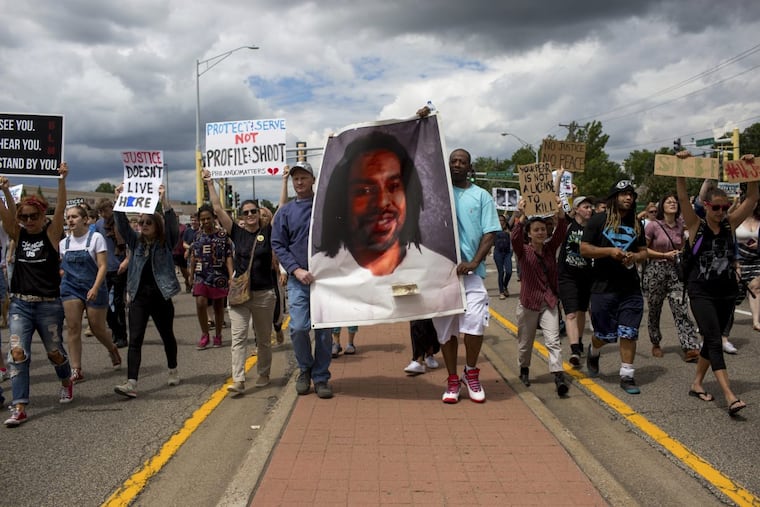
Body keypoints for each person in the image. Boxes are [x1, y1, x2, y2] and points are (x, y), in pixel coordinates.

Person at [311, 130, 461, 325]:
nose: (382, 202)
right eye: (364, 190)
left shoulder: (442, 271)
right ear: (341, 200)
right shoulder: (322, 274)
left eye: (394, 186)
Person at [676, 156, 757, 416]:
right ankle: (730, 395)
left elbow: (752, 198)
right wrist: (681, 169)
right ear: (706, 206)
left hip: (726, 293)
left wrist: (750, 169)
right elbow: (681, 195)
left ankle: (697, 383)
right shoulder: (695, 225)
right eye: (716, 208)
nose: (721, 212)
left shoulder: (729, 225)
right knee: (713, 340)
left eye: (724, 208)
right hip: (700, 292)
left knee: (710, 342)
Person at [0, 165, 73, 427]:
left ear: (42, 215)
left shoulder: (51, 235)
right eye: (25, 217)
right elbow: (7, 218)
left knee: (54, 352)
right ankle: (19, 406)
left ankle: (66, 379)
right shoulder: (18, 235)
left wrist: (62, 181)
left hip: (48, 306)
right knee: (17, 353)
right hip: (20, 304)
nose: (28, 221)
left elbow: (62, 209)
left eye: (33, 216)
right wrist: (4, 191)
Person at [433, 148, 500, 404]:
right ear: (447, 165)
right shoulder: (436, 194)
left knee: (474, 323)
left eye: (462, 161)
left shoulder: (481, 196)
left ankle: (470, 371)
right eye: (453, 161)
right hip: (440, 276)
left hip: (471, 275)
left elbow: (490, 233)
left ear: (470, 167)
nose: (457, 164)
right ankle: (452, 379)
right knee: (446, 330)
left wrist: (473, 262)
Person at [202, 171, 276, 393]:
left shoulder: (269, 232)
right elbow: (217, 209)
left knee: (263, 339)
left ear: (259, 213)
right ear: (241, 216)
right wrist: (209, 183)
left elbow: (281, 206)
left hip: (264, 294)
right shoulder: (237, 232)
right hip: (239, 295)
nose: (251, 214)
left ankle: (263, 373)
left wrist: (283, 181)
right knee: (238, 338)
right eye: (246, 212)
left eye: (254, 210)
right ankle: (239, 379)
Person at [272, 161, 334, 399]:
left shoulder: (325, 207)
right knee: (298, 328)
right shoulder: (285, 212)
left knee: (324, 332)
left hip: (325, 281)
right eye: (296, 178)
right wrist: (295, 269)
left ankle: (321, 377)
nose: (299, 182)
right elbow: (278, 243)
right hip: (299, 280)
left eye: (304, 178)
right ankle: (305, 369)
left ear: (313, 180)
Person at [113, 184, 181, 398]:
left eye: (147, 222)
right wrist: (119, 199)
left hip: (161, 296)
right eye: (141, 222)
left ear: (156, 224)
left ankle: (173, 369)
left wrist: (164, 201)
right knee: (135, 339)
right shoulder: (136, 242)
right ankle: (132, 382)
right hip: (139, 298)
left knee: (167, 335)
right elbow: (122, 226)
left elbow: (172, 227)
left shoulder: (165, 243)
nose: (142, 225)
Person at [580, 180, 648, 395]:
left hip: (630, 288)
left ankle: (627, 375)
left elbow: (644, 251)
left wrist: (635, 256)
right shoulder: (597, 221)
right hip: (603, 287)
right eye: (623, 194)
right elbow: (584, 249)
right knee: (605, 334)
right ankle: (594, 349)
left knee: (629, 331)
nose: (628, 197)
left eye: (631, 194)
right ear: (613, 198)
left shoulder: (636, 224)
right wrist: (609, 251)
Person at [512, 198, 569, 396]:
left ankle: (558, 375)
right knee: (525, 342)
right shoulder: (523, 251)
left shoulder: (550, 249)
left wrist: (560, 213)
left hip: (549, 302)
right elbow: (514, 238)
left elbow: (561, 231)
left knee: (553, 340)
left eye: (543, 229)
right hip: (528, 303)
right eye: (536, 229)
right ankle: (524, 369)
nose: (540, 232)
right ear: (529, 233)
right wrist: (521, 215)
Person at [60, 205, 122, 384]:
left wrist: (95, 288)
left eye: (74, 217)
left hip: (94, 285)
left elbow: (102, 265)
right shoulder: (64, 243)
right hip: (70, 287)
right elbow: (64, 267)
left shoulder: (96, 238)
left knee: (96, 327)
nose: (70, 220)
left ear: (85, 219)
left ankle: (112, 348)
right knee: (73, 327)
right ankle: (76, 368)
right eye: (68, 217)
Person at [643, 193, 700, 361]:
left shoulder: (680, 226)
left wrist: (681, 253)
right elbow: (644, 250)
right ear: (662, 206)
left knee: (680, 307)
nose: (672, 204)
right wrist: (664, 254)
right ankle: (655, 342)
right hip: (656, 269)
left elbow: (687, 243)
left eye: (675, 202)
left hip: (675, 270)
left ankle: (689, 346)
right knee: (654, 308)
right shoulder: (653, 226)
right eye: (668, 202)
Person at [189, 204, 233, 350]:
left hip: (218, 274)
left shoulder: (222, 235)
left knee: (218, 306)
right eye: (203, 219)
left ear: (214, 218)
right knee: (200, 303)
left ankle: (218, 335)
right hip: (201, 274)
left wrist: (231, 275)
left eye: (208, 218)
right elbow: (194, 256)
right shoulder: (198, 236)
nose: (206, 221)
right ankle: (205, 334)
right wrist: (191, 274)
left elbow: (228, 256)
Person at [558, 195, 594, 367]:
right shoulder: (567, 224)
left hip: (586, 277)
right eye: (586, 207)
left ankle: (578, 341)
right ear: (577, 209)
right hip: (567, 277)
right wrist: (559, 177)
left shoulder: (594, 229)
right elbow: (555, 201)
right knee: (570, 313)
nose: (589, 210)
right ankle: (574, 350)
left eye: (591, 207)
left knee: (581, 311)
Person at [94, 198, 129, 348]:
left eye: (105, 210)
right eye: (100, 211)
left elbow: (130, 242)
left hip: (119, 266)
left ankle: (122, 336)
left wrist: (126, 261)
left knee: (118, 302)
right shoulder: (98, 225)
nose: (103, 214)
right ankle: (116, 329)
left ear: (111, 208)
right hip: (104, 268)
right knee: (103, 302)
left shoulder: (120, 221)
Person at [259, 206, 285, 346]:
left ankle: (278, 327)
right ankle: (260, 343)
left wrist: (283, 271)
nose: (261, 217)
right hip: (255, 278)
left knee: (276, 308)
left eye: (265, 215)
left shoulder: (274, 233)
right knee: (257, 312)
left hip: (271, 275)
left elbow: (282, 252)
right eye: (260, 215)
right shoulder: (249, 233)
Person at [493, 214, 512, 299]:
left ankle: (505, 286)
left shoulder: (508, 229)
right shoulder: (494, 230)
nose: (501, 222)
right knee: (501, 272)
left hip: (507, 253)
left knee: (509, 271)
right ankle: (501, 292)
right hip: (498, 253)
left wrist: (509, 233)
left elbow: (513, 239)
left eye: (502, 220)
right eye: (499, 220)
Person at [182, 213, 200, 293]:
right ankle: (192, 284)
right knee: (190, 271)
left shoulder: (201, 230)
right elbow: (184, 243)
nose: (193, 222)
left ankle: (197, 286)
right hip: (190, 254)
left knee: (198, 271)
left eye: (195, 220)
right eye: (192, 220)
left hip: (200, 254)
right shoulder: (187, 231)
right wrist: (189, 248)